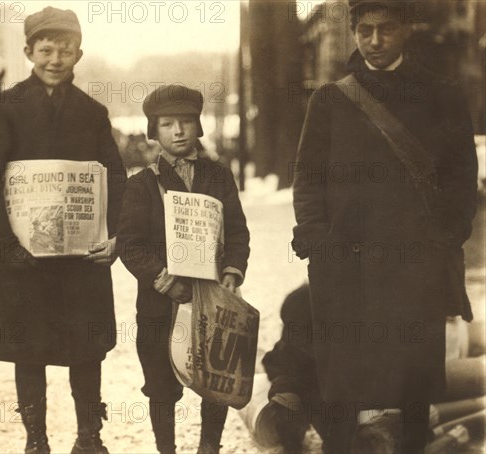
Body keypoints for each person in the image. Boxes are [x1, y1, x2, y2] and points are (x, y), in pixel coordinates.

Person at [291, 0, 478, 452]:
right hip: (346, 268)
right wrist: (318, 241)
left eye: (386, 30)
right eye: (364, 30)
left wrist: (441, 243)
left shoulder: (442, 95)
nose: (374, 41)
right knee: (343, 383)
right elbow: (308, 179)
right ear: (354, 29)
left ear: (406, 31)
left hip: (414, 267)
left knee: (413, 383)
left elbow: (461, 183)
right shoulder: (330, 100)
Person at [0, 7, 126, 454]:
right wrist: (2, 242)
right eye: (46, 50)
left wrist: (114, 235)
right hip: (22, 256)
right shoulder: (5, 107)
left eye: (66, 51)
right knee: (28, 347)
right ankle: (36, 439)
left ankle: (89, 436)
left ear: (79, 54)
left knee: (86, 347)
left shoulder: (92, 113)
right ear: (29, 51)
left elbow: (114, 174)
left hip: (79, 256)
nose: (56, 59)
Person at [117, 85, 250, 454]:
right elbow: (130, 244)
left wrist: (232, 271)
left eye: (187, 122)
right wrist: (164, 279)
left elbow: (237, 231)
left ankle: (209, 447)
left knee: (218, 381)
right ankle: (166, 450)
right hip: (161, 303)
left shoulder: (219, 177)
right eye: (167, 124)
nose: (178, 131)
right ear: (153, 131)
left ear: (198, 127)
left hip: (214, 300)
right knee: (160, 385)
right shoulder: (141, 185)